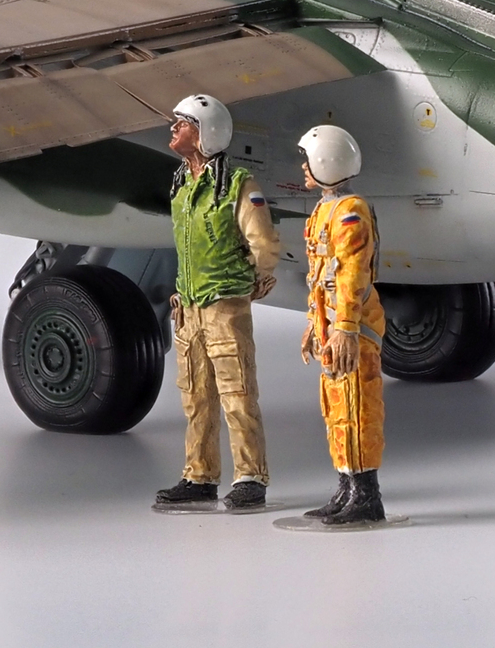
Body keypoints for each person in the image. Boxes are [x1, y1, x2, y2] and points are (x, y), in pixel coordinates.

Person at [154, 94, 279, 514]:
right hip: (189, 308)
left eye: (184, 123)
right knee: (196, 398)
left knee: (237, 393)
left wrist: (253, 280)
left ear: (205, 133)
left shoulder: (237, 185)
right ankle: (199, 476)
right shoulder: (182, 185)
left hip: (224, 306)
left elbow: (263, 243)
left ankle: (250, 477)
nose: (174, 128)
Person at [296, 124, 387, 526]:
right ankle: (346, 487)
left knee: (358, 407)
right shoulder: (324, 210)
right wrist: (313, 325)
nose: (303, 168)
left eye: (308, 161)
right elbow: (319, 276)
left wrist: (347, 327)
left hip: (352, 329)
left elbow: (353, 273)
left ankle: (367, 495)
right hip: (330, 325)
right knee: (335, 409)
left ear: (326, 162)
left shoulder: (351, 212)